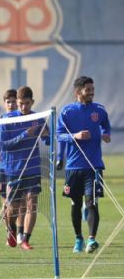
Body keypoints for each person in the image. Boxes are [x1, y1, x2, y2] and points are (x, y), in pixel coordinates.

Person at [57, 76, 111, 254]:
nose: (92, 92)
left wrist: (105, 134)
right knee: (75, 203)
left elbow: (106, 126)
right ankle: (78, 238)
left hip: (94, 166)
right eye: (88, 90)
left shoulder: (100, 110)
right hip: (73, 167)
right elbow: (59, 136)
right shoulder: (67, 112)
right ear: (78, 92)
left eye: (93, 89)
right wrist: (75, 136)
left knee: (92, 203)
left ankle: (91, 240)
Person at [0, 86, 49, 250]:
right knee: (12, 208)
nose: (23, 107)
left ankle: (25, 239)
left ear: (32, 102)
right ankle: (11, 230)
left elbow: (48, 140)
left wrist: (47, 135)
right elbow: (4, 146)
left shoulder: (38, 118)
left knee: (32, 203)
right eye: (20, 104)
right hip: (13, 170)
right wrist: (25, 134)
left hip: (33, 168)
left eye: (27, 104)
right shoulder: (7, 119)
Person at [0, 89, 28, 243]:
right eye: (8, 102)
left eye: (13, 102)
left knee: (22, 201)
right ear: (4, 104)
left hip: (20, 167)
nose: (11, 104)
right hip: (3, 169)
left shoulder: (22, 120)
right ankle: (9, 231)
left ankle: (19, 232)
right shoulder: (0, 120)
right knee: (6, 203)